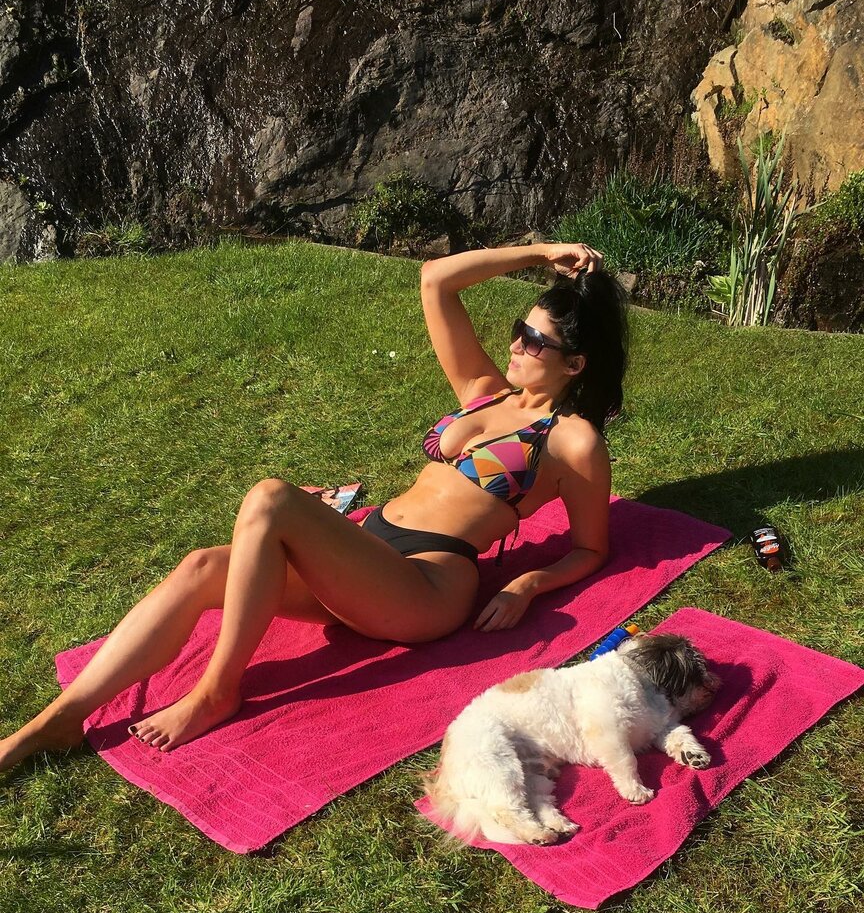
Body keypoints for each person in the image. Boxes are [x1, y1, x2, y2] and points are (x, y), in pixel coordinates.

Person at [0, 241, 628, 769]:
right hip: (369, 551)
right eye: (519, 329)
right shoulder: (484, 392)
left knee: (270, 500)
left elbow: (590, 548)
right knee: (201, 567)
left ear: (575, 364)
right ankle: (59, 720)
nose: (516, 345)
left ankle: (217, 690)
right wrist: (540, 254)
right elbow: (436, 279)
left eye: (535, 341)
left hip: (427, 584)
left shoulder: (574, 441)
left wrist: (527, 584)